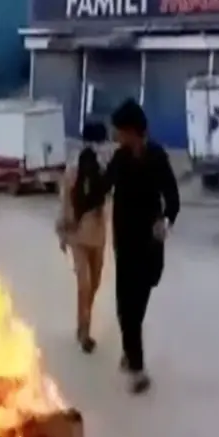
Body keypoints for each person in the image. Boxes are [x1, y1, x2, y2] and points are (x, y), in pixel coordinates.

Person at [84, 99, 180, 394]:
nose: (116, 136)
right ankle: (137, 368)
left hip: (149, 245)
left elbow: (173, 198)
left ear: (133, 131)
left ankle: (131, 353)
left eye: (119, 131)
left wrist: (166, 220)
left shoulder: (157, 157)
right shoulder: (120, 158)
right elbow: (100, 190)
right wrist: (89, 171)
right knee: (125, 308)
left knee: (136, 307)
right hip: (124, 244)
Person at [56, 120, 111, 354]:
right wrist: (62, 232)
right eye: (97, 143)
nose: (99, 148)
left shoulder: (104, 170)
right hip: (77, 234)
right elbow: (65, 201)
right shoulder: (74, 170)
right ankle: (84, 331)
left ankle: (83, 320)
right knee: (84, 284)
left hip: (98, 236)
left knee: (94, 284)